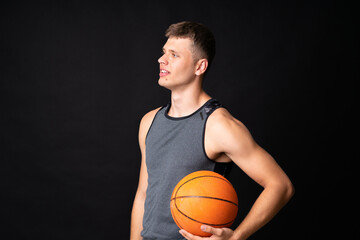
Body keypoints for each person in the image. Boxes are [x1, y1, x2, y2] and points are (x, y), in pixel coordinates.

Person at [130, 21, 294, 240]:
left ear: (200, 67)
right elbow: (143, 194)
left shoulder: (219, 125)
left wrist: (236, 237)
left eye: (174, 55)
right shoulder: (149, 121)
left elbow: (281, 186)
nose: (162, 59)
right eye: (163, 52)